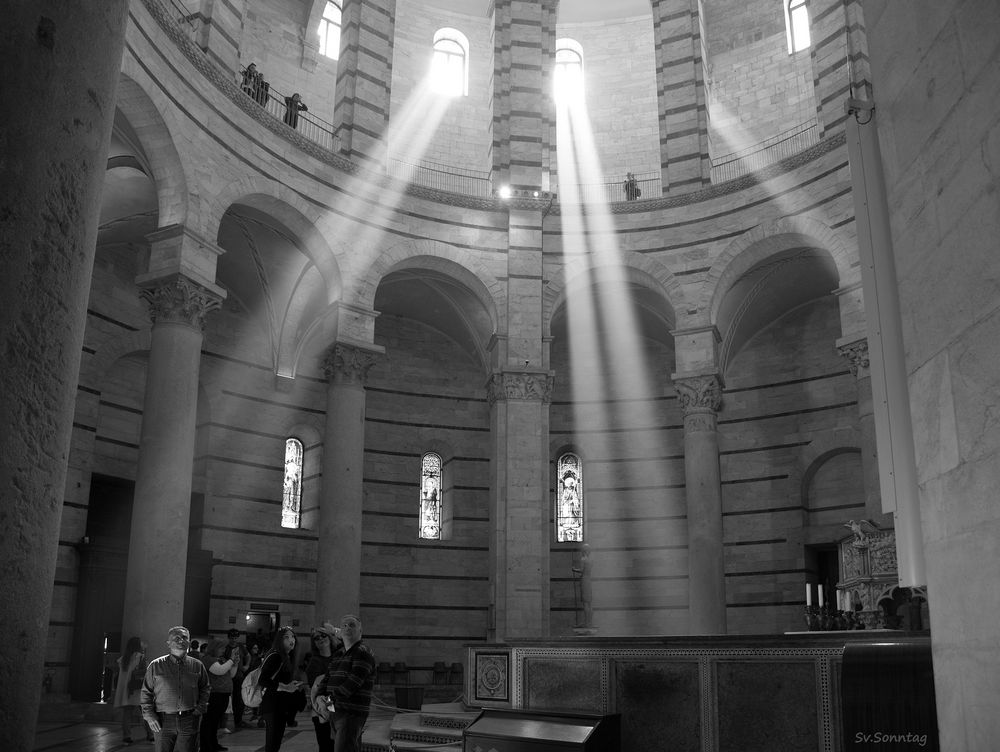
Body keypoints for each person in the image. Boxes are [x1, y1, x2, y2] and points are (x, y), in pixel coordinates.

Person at [140, 626, 210, 752]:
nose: (181, 640)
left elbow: (205, 688)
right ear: (168, 643)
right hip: (163, 721)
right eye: (176, 638)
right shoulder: (156, 665)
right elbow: (146, 692)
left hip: (189, 719)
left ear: (189, 641)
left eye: (184, 637)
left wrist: (200, 708)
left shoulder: (197, 665)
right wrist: (149, 716)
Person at [320, 614, 375, 752]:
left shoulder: (363, 652)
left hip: (351, 714)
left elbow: (351, 685)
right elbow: (326, 680)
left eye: (352, 625)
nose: (347, 628)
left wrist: (327, 701)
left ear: (360, 631)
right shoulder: (338, 654)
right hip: (336, 712)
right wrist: (320, 698)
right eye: (344, 625)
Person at [258, 626, 307, 752]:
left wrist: (292, 684)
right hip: (272, 706)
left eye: (292, 636)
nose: (291, 639)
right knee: (273, 743)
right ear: (280, 640)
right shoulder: (276, 656)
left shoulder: (287, 657)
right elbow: (263, 680)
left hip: (280, 706)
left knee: (276, 742)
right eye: (286, 637)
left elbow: (279, 679)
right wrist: (285, 687)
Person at [306, 623, 343, 752]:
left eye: (323, 635)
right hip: (323, 710)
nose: (321, 639)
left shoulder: (338, 655)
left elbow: (352, 644)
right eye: (316, 638)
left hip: (339, 708)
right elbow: (318, 690)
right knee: (326, 746)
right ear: (314, 643)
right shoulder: (314, 662)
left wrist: (335, 631)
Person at [200, 639, 238, 752]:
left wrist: (235, 663)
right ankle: (206, 746)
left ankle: (213, 743)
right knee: (209, 721)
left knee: (215, 721)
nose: (223, 650)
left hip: (223, 695)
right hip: (213, 695)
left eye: (224, 648)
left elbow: (231, 674)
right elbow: (219, 671)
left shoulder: (221, 659)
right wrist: (231, 660)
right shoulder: (207, 659)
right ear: (214, 648)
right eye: (221, 648)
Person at [114, 636, 152, 744]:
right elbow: (147, 672)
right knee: (146, 713)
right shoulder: (140, 657)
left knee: (127, 714)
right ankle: (150, 735)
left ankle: (127, 737)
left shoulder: (123, 659)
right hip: (138, 689)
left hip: (127, 690)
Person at [225, 629, 250, 729]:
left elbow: (248, 656)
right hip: (227, 677)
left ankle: (238, 720)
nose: (234, 640)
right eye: (232, 638)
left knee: (238, 699)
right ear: (229, 638)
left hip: (239, 676)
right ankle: (222, 723)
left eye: (235, 638)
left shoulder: (241, 647)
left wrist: (246, 665)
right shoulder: (226, 648)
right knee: (227, 699)